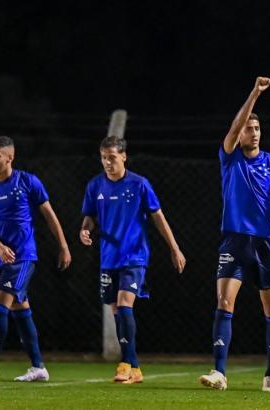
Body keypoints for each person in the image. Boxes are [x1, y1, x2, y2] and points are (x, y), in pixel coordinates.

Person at [199, 77, 270, 392]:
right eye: (247, 128)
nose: (252, 132)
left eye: (256, 129)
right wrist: (255, 93)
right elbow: (234, 125)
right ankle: (219, 372)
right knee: (224, 302)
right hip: (234, 240)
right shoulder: (230, 157)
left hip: (265, 243)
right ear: (239, 133)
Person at [80, 135, 186, 384]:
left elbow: (158, 217)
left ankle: (125, 364)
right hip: (109, 258)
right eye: (104, 158)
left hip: (134, 256)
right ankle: (135, 367)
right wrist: (85, 229)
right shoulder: (95, 186)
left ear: (124, 156)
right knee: (117, 310)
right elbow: (89, 217)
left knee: (125, 304)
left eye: (112, 157)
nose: (107, 162)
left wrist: (174, 247)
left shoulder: (139, 184)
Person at [0, 136, 71, 382]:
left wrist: (64, 246)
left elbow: (49, 215)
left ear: (9, 158)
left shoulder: (27, 181)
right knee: (20, 309)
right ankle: (38, 367)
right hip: (0, 257)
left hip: (23, 256)